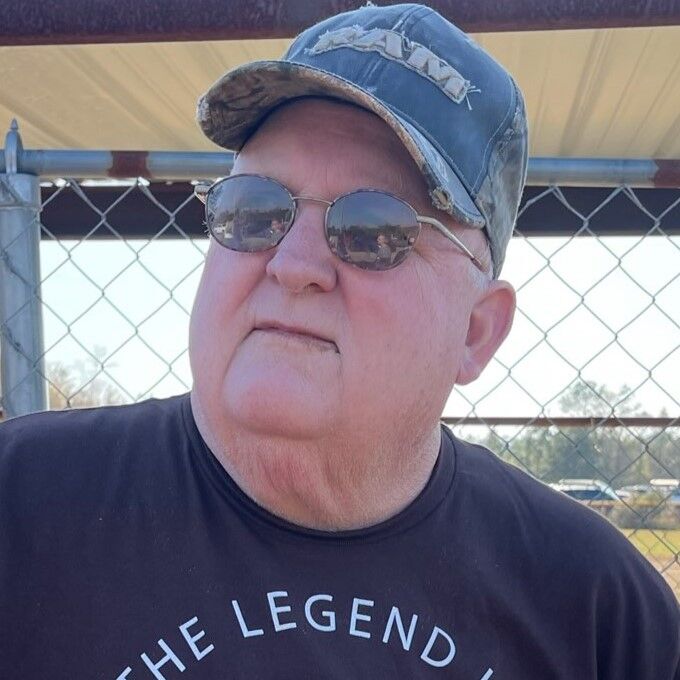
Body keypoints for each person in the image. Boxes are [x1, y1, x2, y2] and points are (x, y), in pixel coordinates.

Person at [0, 4, 678, 679]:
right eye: (255, 209)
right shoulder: (22, 509)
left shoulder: (599, 613)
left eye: (372, 230)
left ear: (476, 331)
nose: (293, 264)